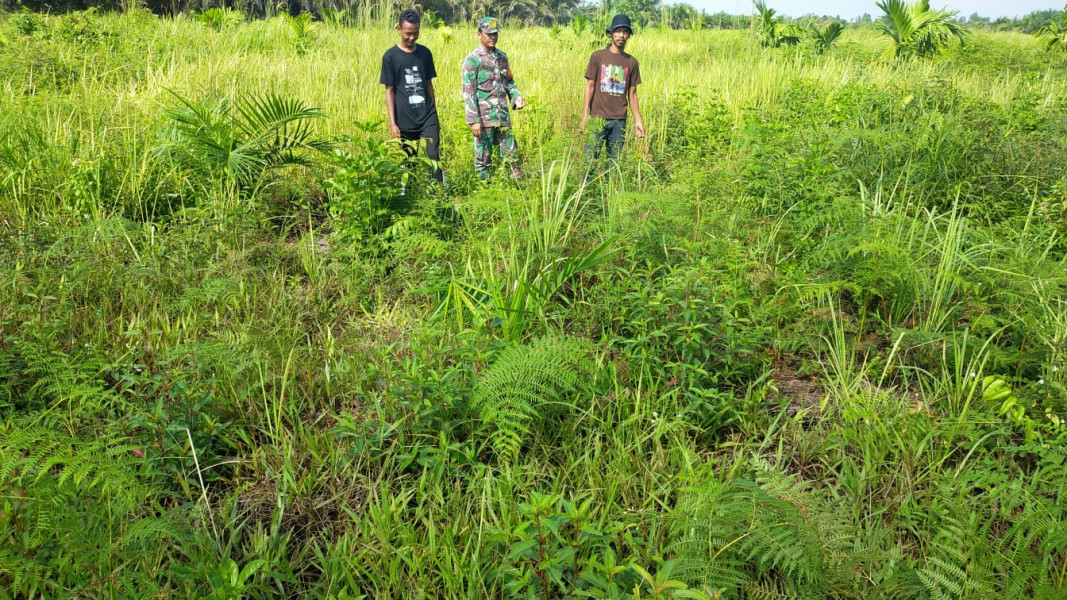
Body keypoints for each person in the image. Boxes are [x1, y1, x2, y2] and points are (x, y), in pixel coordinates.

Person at [380, 8, 443, 184]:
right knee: (408, 161)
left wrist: (435, 116)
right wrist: (393, 124)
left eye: (416, 33)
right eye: (408, 33)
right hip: (404, 118)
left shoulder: (425, 54)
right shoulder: (390, 57)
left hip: (427, 115)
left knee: (433, 156)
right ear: (398, 29)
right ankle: (408, 197)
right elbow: (389, 91)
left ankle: (438, 194)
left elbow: (429, 85)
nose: (412, 37)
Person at [462, 16, 525, 179]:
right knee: (483, 159)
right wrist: (474, 120)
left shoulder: (502, 57)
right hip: (483, 119)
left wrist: (516, 97)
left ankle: (514, 191)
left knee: (512, 156)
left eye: (495, 34)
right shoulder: (472, 60)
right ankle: (484, 194)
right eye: (488, 34)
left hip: (502, 116)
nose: (492, 37)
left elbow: (510, 82)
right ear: (479, 34)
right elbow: (468, 93)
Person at [579, 14, 645, 168]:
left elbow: (633, 94)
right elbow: (590, 86)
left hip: (619, 121)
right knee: (589, 162)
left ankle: (611, 193)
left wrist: (638, 121)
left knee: (614, 166)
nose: (621, 35)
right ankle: (586, 191)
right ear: (611, 33)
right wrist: (584, 117)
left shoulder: (631, 62)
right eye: (618, 31)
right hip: (597, 118)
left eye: (625, 32)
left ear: (628, 35)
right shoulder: (598, 56)